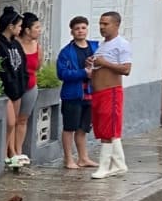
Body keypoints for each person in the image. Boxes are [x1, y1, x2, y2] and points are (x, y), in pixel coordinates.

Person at [90, 10, 132, 178]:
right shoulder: (102, 45)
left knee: (108, 129)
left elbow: (126, 69)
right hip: (98, 92)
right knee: (103, 129)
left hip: (111, 91)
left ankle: (104, 167)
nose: (102, 27)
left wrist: (104, 63)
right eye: (100, 23)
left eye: (106, 24)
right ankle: (119, 165)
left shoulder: (122, 44)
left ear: (116, 25)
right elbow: (99, 66)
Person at [56, 15, 98, 170]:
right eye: (77, 29)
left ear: (87, 29)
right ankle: (68, 159)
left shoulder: (95, 47)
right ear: (72, 32)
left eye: (83, 28)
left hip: (90, 93)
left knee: (83, 128)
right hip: (72, 94)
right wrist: (83, 73)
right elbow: (62, 74)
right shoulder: (66, 52)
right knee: (69, 128)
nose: (80, 31)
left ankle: (83, 158)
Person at [0, 6, 28, 168]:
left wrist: (22, 83)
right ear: (10, 26)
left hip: (18, 87)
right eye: (19, 26)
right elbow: (2, 68)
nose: (21, 29)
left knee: (14, 123)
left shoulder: (15, 43)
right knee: (10, 122)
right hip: (5, 88)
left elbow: (22, 64)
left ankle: (12, 151)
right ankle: (3, 152)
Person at [17, 12, 43, 159]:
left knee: (23, 120)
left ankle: (18, 151)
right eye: (37, 27)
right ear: (27, 30)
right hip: (15, 86)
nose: (39, 30)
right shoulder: (15, 44)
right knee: (11, 121)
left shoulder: (37, 46)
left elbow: (38, 66)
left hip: (31, 86)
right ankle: (10, 150)